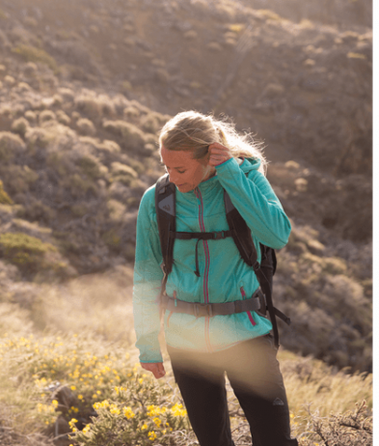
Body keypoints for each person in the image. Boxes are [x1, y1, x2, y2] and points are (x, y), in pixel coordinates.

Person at [132, 111, 298, 446]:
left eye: (180, 169)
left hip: (246, 334)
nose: (172, 177)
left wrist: (232, 177)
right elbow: (147, 272)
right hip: (187, 344)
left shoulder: (245, 179)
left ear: (209, 156)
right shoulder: (157, 200)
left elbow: (277, 235)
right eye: (166, 167)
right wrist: (148, 341)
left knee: (274, 441)